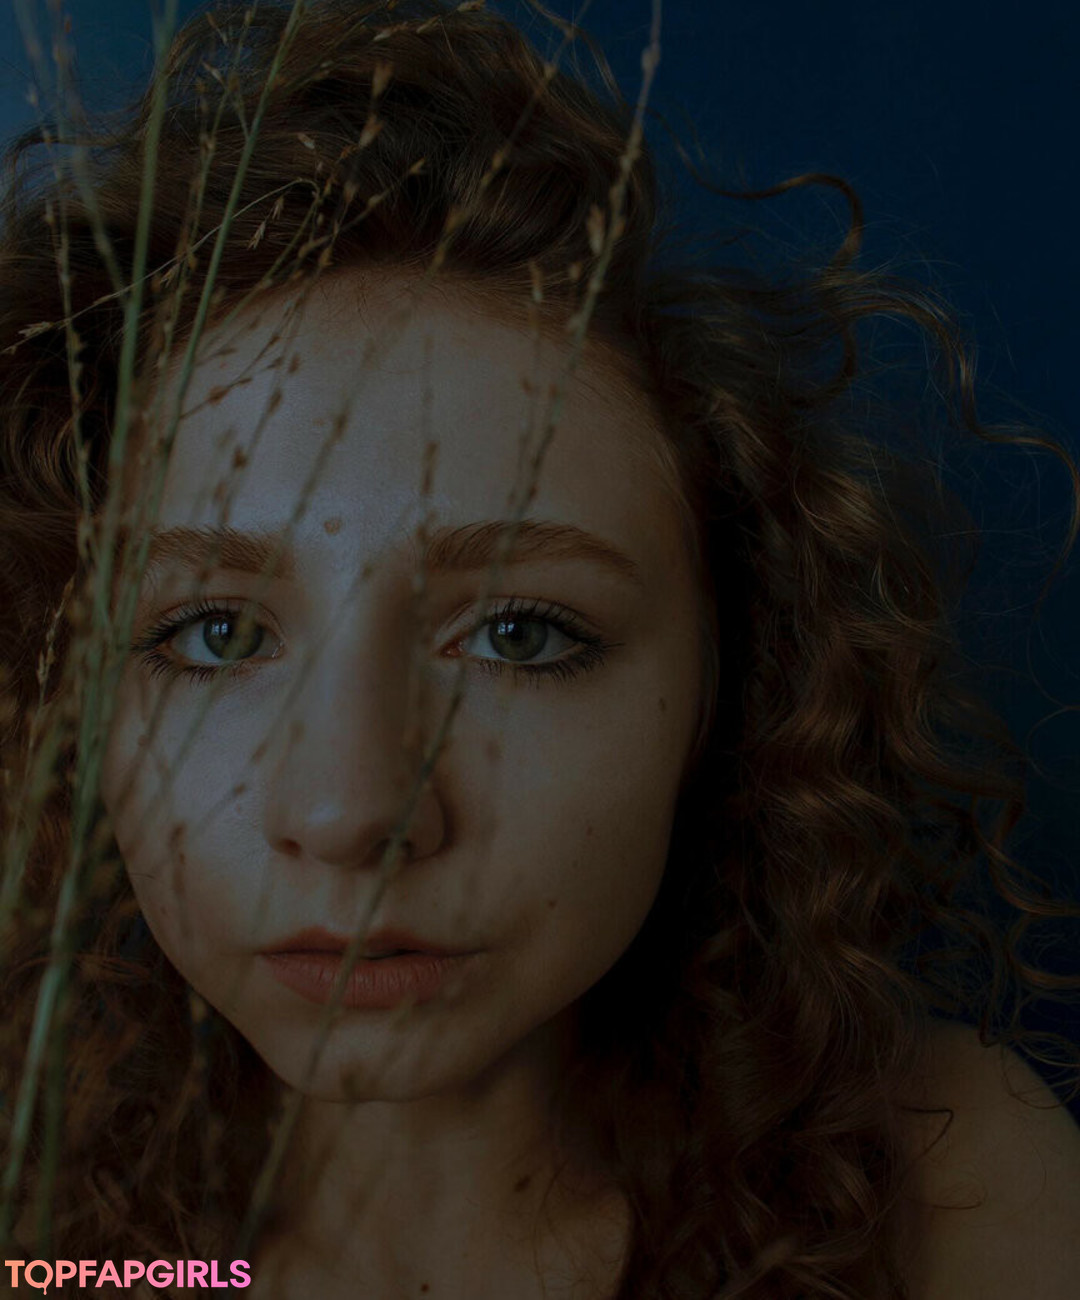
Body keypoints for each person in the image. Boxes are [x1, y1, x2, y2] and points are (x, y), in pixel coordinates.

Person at [1, 1, 1078, 1296]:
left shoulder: (950, 1185)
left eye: (518, 634)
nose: (351, 812)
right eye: (215, 633)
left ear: (730, 688)